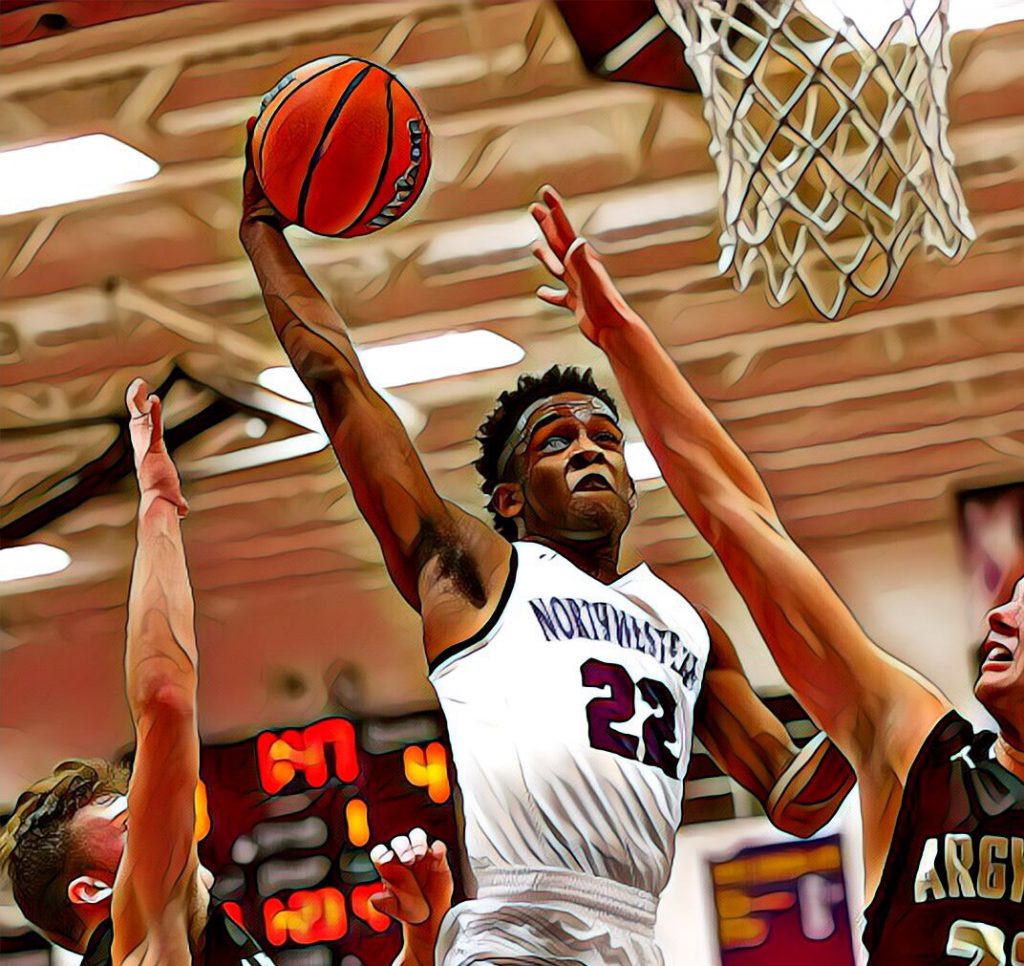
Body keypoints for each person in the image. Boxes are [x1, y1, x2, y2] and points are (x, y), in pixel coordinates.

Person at [239, 123, 854, 965]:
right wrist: (262, 236)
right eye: (556, 442)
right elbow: (339, 384)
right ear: (509, 499)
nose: (589, 449)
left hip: (636, 938)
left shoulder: (685, 625)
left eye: (605, 438)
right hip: (515, 931)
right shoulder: (480, 572)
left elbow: (795, 797)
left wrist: (886, 717)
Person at [529, 185, 1024, 964]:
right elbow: (741, 522)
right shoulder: (920, 751)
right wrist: (621, 336)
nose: (999, 615)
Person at [0, 381, 271, 965]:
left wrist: (418, 935)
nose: (163, 814)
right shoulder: (148, 943)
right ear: (94, 891)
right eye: (131, 821)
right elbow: (165, 697)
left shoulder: (195, 938)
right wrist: (156, 504)